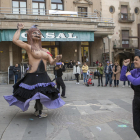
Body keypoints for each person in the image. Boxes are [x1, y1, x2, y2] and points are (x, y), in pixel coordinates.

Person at [4, 23, 65, 118]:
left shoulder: (45, 50)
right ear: (30, 36)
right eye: (34, 33)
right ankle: (38, 111)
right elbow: (15, 40)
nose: (37, 34)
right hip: (33, 75)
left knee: (41, 93)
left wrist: (57, 58)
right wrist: (19, 29)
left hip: (43, 75)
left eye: (39, 33)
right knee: (32, 93)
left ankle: (38, 110)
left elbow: (52, 62)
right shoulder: (29, 47)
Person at [120, 49, 140, 138]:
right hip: (136, 101)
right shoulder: (135, 71)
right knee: (136, 127)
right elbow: (122, 78)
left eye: (136, 60)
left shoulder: (133, 73)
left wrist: (129, 75)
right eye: (134, 60)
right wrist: (124, 66)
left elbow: (136, 82)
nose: (134, 62)